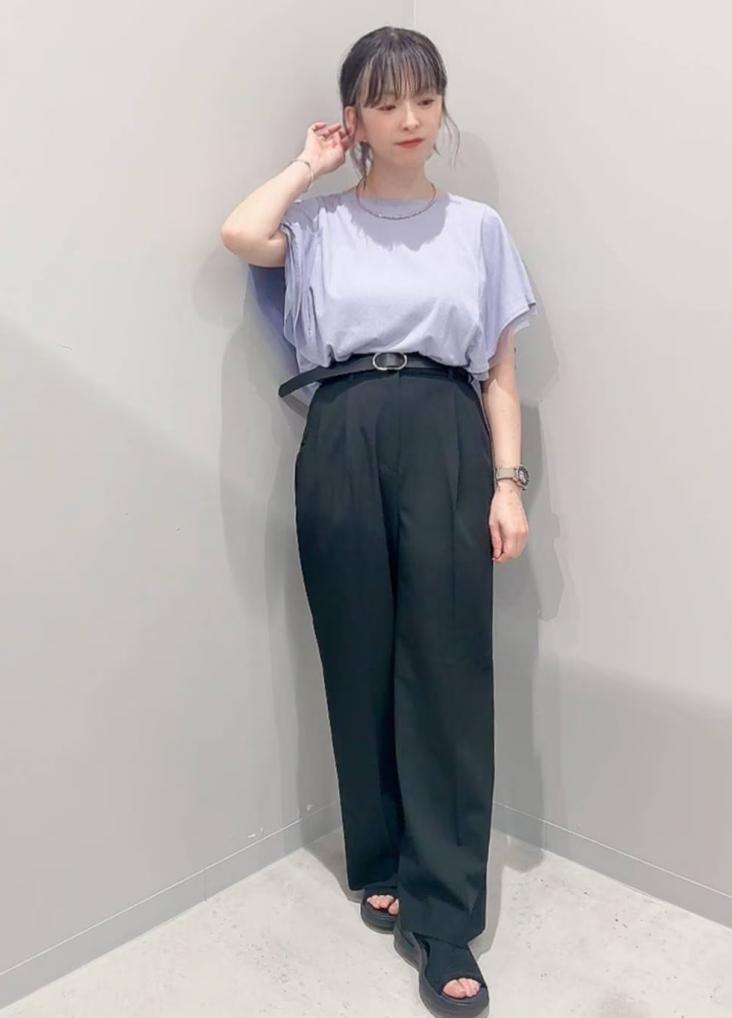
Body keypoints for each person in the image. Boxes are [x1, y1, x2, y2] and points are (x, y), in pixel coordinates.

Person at [221, 25, 537, 1016]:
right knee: (356, 654)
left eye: (425, 98)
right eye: (386, 101)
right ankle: (384, 859)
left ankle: (444, 916)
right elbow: (240, 235)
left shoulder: (477, 228)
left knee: (445, 666)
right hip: (342, 427)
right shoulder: (317, 224)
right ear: (352, 114)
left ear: (442, 108)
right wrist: (308, 164)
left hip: (444, 428)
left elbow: (498, 371)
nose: (409, 119)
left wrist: (507, 482)